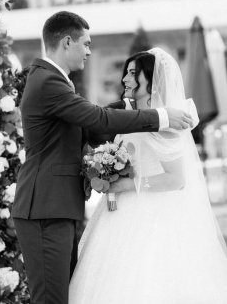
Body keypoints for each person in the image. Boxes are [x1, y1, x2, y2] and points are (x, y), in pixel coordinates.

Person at [11, 12, 192, 304]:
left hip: (55, 207)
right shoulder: (48, 81)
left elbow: (86, 130)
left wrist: (127, 109)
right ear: (67, 41)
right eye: (85, 44)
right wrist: (161, 116)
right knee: (52, 300)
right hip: (45, 208)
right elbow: (96, 118)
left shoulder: (55, 80)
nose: (89, 51)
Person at [69, 48, 227, 304]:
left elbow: (177, 179)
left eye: (133, 74)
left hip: (153, 215)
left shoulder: (165, 124)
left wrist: (126, 183)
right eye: (126, 73)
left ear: (151, 80)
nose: (125, 80)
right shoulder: (130, 117)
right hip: (117, 213)